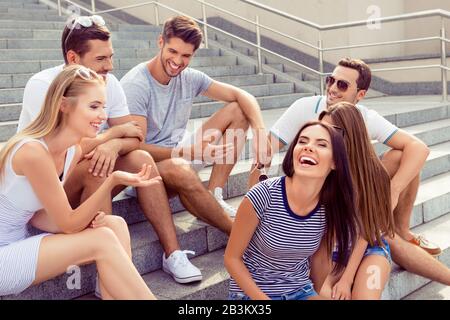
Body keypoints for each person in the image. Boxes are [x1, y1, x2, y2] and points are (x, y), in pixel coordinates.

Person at [17, 15, 202, 285]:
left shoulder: (109, 83)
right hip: (43, 192)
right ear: (73, 58)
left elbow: (136, 135)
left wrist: (114, 145)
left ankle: (172, 253)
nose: (110, 66)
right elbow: (64, 149)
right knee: (98, 167)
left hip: (78, 174)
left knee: (140, 159)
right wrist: (113, 135)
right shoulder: (44, 86)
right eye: (101, 59)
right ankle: (110, 275)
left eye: (111, 57)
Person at [255, 57, 450, 287]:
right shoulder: (305, 108)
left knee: (402, 161)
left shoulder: (363, 118)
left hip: (346, 197)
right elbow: (263, 154)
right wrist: (260, 207)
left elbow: (419, 148)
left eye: (343, 85)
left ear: (360, 94)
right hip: (314, 197)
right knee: (376, 237)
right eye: (331, 80)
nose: (333, 88)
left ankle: (400, 228)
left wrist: (393, 191)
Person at [0, 65, 156, 299]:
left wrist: (89, 220)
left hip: (19, 242)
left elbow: (40, 217)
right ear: (64, 105)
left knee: (114, 225)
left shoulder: (71, 151)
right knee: (102, 239)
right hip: (4, 258)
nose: (103, 116)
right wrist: (112, 180)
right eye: (94, 106)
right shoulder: (32, 152)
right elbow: (68, 225)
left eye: (104, 106)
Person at [120, 15, 271, 224]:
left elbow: (243, 96)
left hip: (181, 152)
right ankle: (235, 235)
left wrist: (260, 134)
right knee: (177, 165)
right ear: (160, 42)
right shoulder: (137, 84)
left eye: (185, 55)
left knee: (239, 110)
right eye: (172, 51)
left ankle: (214, 194)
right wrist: (188, 152)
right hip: (146, 171)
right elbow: (136, 150)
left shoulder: (190, 77)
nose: (177, 62)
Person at [224, 121, 358, 300]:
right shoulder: (263, 194)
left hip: (299, 290)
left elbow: (320, 261)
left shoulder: (330, 207)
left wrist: (314, 296)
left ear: (335, 162)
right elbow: (232, 258)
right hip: (252, 295)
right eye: (302, 141)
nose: (308, 147)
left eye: (321, 144)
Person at [318, 102, 395, 300]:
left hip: (371, 248)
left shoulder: (376, 176)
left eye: (332, 131)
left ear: (350, 134)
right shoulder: (323, 169)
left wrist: (347, 279)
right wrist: (333, 276)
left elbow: (366, 232)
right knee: (326, 295)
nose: (326, 136)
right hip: (333, 251)